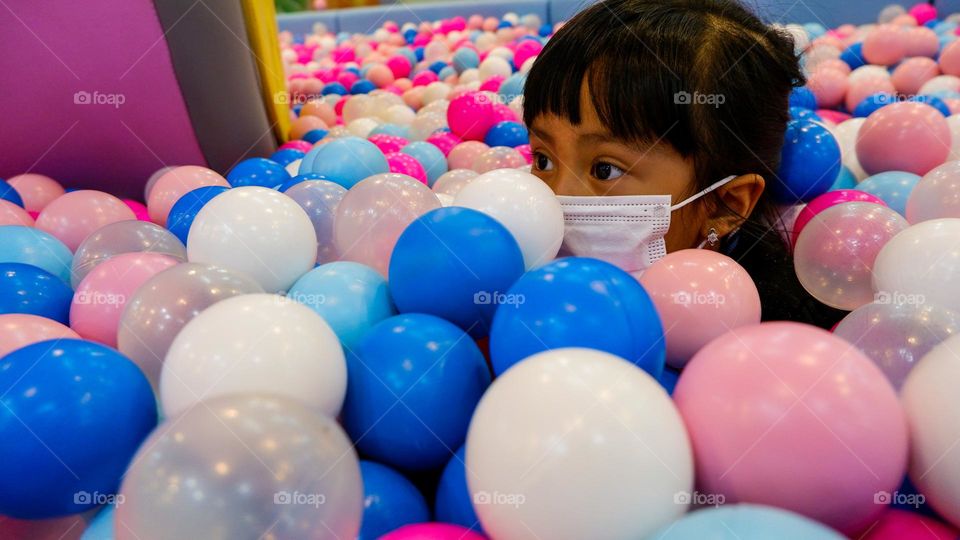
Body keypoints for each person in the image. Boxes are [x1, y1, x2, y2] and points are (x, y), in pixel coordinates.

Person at [523, 0, 845, 328]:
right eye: (543, 160)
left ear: (724, 205)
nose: (556, 196)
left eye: (605, 169)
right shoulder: (508, 295)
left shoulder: (778, 338)